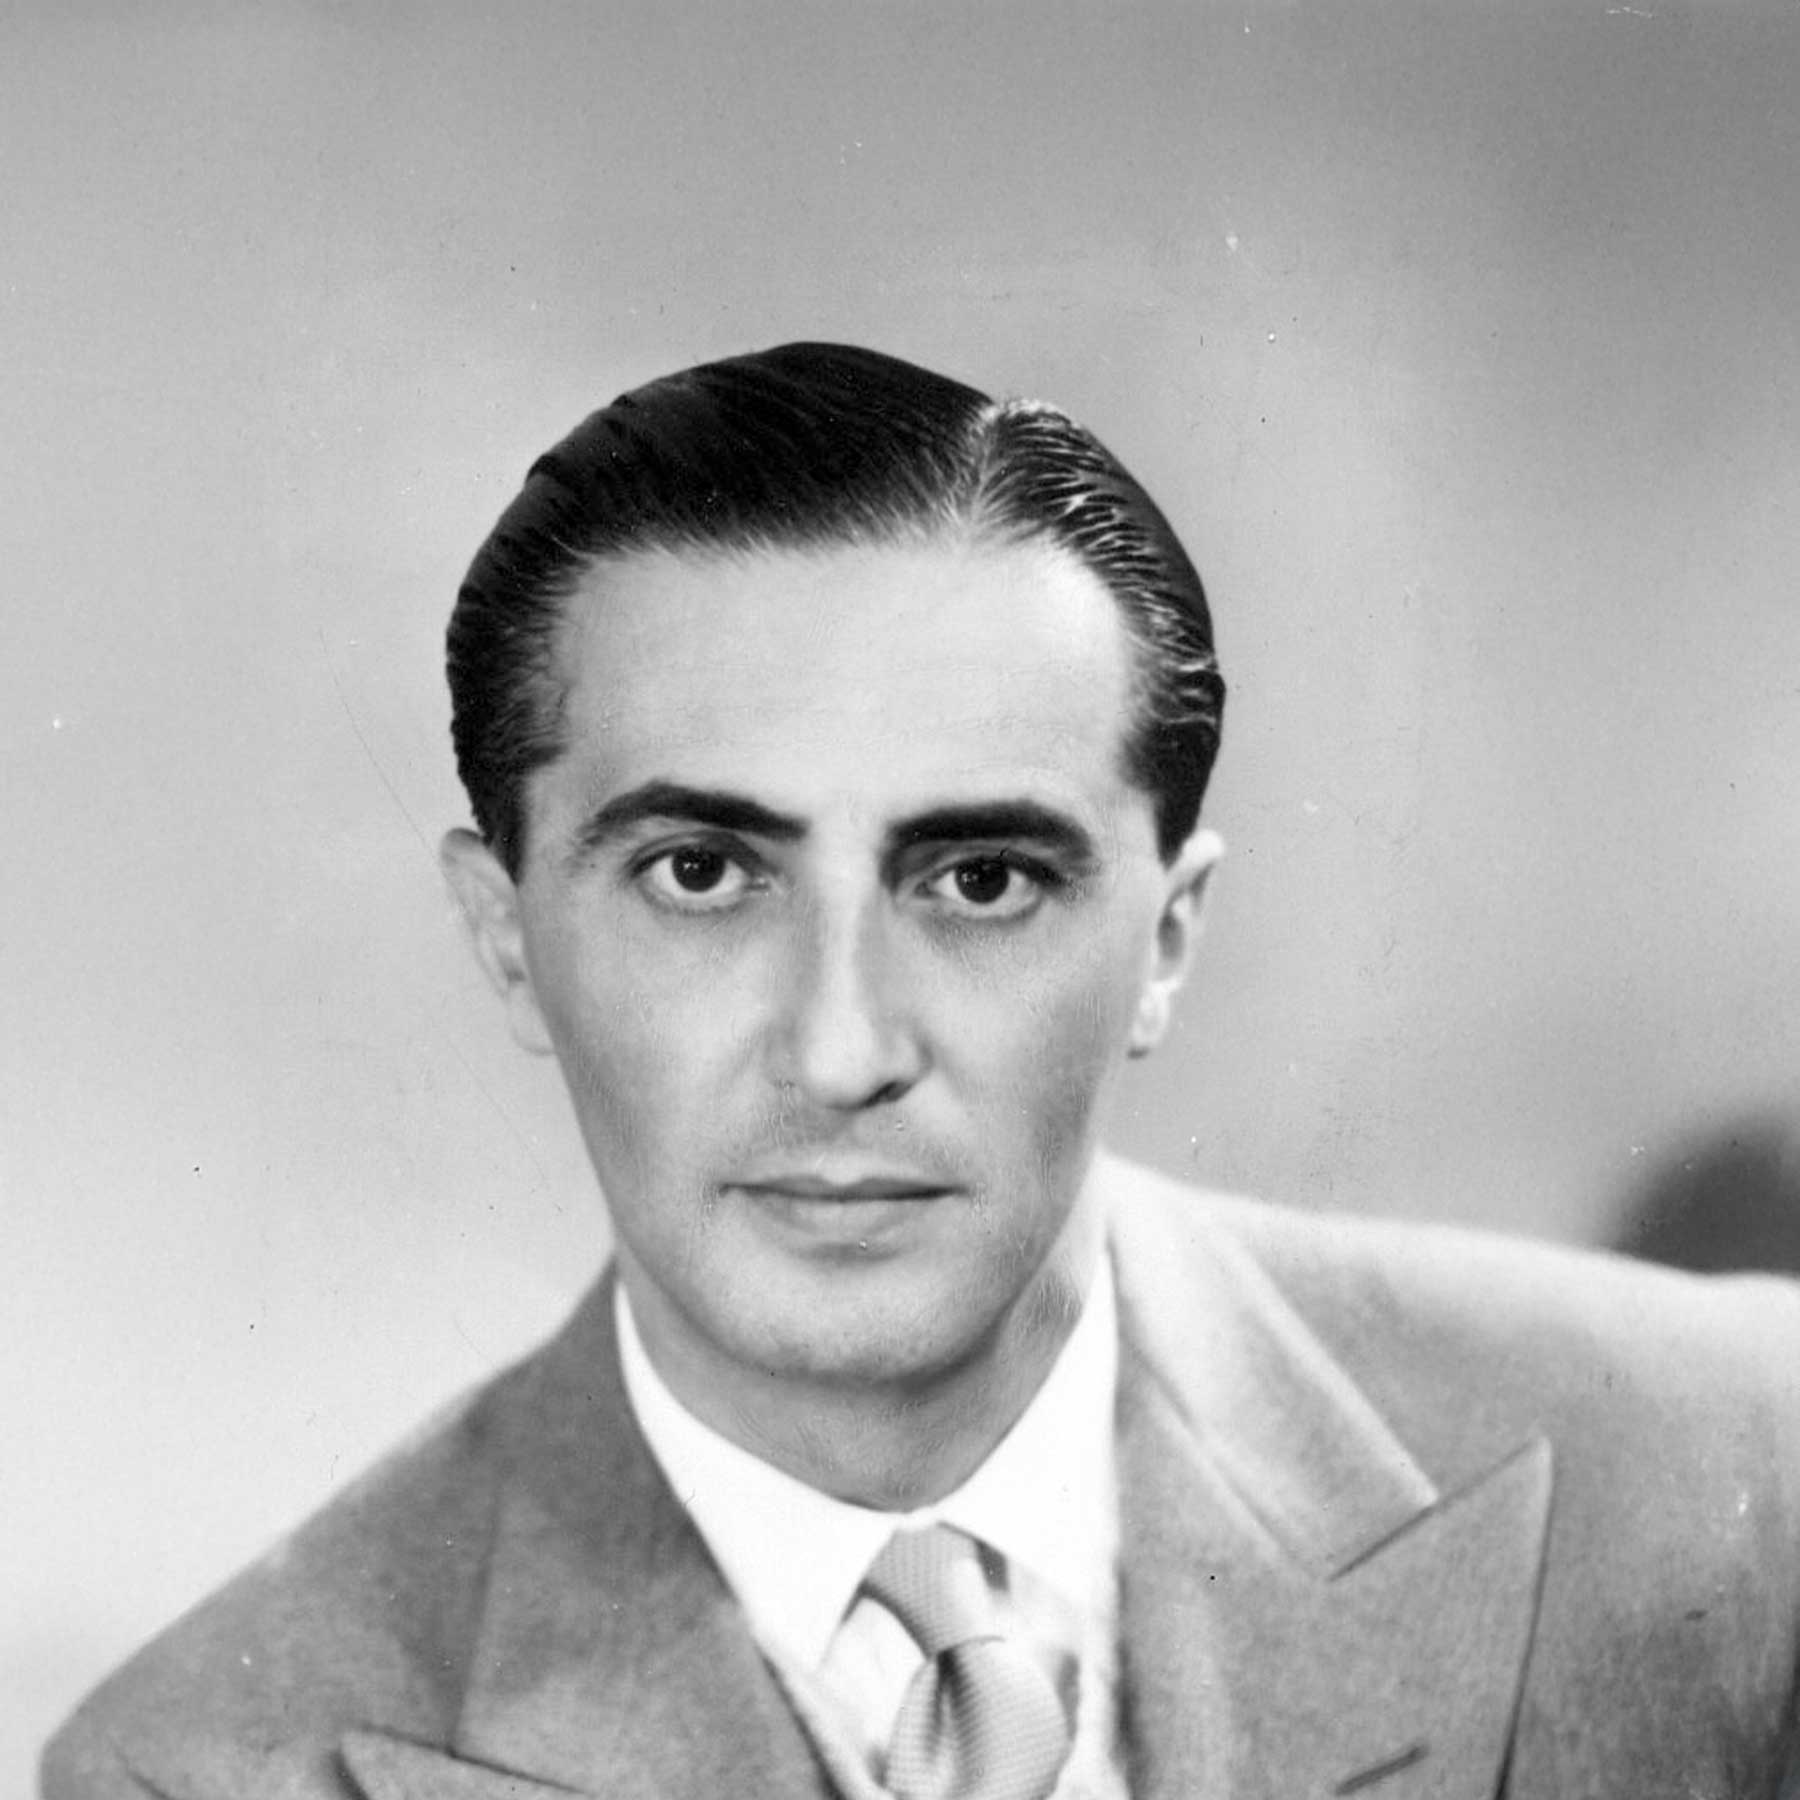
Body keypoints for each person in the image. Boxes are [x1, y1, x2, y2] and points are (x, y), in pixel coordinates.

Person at [43, 343, 1800, 1800]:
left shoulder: (1741, 1473)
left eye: (980, 882)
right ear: (507, 937)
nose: (841, 1050)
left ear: (1168, 941)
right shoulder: (208, 1768)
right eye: (701, 874)